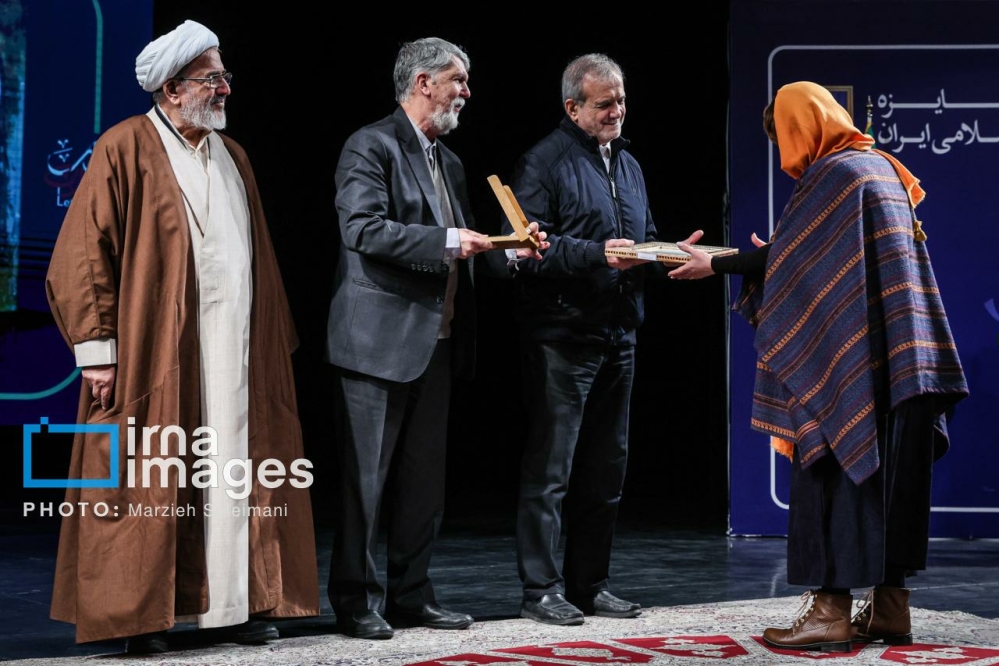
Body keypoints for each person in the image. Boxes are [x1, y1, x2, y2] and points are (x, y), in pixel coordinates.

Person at [44, 20, 319, 655]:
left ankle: (236, 604)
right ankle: (140, 617)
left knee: (236, 475)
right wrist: (97, 352)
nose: (225, 88)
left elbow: (260, 257)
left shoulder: (234, 155)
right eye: (211, 79)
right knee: (147, 478)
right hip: (153, 354)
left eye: (224, 76)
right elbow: (82, 255)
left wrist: (272, 350)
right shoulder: (124, 146)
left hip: (234, 353)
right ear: (172, 89)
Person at [669, 81, 969, 652]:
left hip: (858, 367)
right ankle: (890, 608)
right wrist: (784, 254)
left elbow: (792, 258)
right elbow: (810, 257)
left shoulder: (835, 175)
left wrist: (720, 263)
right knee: (890, 486)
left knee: (834, 468)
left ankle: (829, 613)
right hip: (907, 364)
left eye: (786, 139)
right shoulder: (881, 166)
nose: (789, 158)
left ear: (802, 128)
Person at [324, 37, 545, 641]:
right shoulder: (370, 144)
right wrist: (450, 241)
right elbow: (362, 228)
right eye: (458, 80)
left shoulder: (448, 161)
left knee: (424, 483)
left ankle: (411, 595)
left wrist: (512, 251)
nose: (467, 91)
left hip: (437, 343)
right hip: (374, 345)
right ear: (423, 83)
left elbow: (468, 245)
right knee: (365, 484)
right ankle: (356, 601)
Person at [503, 53, 694, 626]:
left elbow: (643, 236)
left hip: (620, 334)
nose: (617, 112)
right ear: (573, 107)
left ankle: (590, 585)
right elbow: (524, 250)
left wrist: (670, 254)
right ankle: (540, 590)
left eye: (622, 101)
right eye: (604, 104)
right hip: (563, 337)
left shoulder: (628, 164)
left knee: (606, 471)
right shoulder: (543, 162)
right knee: (551, 473)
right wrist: (596, 254)